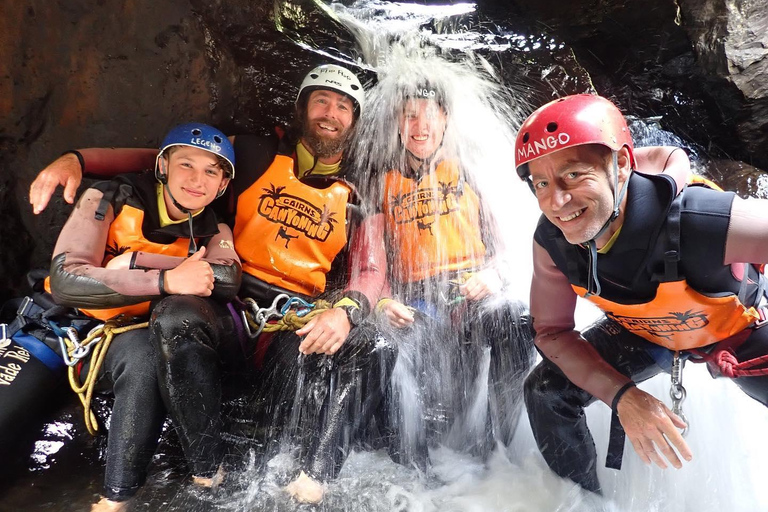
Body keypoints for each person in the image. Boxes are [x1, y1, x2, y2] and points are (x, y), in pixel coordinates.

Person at [29, 64, 391, 505]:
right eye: (321, 100)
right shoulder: (255, 154)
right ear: (302, 108)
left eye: (342, 106)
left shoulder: (361, 193)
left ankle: (315, 476)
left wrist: (348, 310)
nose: (329, 113)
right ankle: (208, 469)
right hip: (231, 305)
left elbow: (372, 270)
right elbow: (167, 157)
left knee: (377, 344)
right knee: (175, 314)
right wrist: (80, 160)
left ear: (354, 121)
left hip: (297, 312)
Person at [516, 93, 768, 493]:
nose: (556, 201)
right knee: (547, 391)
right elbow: (551, 333)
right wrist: (623, 396)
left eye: (574, 175)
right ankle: (582, 502)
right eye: (541, 183)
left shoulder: (700, 219)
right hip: (645, 332)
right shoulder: (552, 243)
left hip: (739, 333)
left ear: (620, 165)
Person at [349, 65, 538, 469]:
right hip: (420, 299)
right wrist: (382, 304)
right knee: (394, 348)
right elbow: (371, 264)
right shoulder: (380, 183)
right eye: (410, 116)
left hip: (473, 293)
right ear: (398, 124)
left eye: (429, 115)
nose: (420, 126)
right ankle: (414, 466)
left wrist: (493, 275)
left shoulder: (471, 171)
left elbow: (511, 251)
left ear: (445, 120)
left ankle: (500, 449)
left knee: (514, 319)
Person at [47, 122, 241, 511]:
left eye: (211, 171)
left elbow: (227, 278)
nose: (196, 180)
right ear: (163, 166)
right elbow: (66, 277)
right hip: (76, 329)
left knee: (145, 355)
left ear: (222, 186)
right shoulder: (108, 197)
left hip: (137, 336)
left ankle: (117, 495)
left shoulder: (214, 226)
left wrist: (136, 263)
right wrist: (166, 278)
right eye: (186, 165)